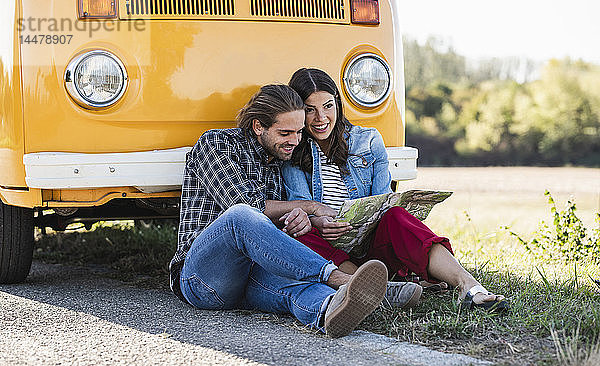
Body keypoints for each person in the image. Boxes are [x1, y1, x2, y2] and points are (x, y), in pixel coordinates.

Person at [169, 84, 391, 338]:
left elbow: (269, 229)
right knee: (239, 216)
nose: (295, 141)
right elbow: (245, 207)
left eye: (298, 132)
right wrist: (308, 206)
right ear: (258, 127)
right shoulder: (217, 144)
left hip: (252, 275)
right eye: (285, 132)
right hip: (203, 278)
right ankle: (339, 278)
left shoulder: (280, 160)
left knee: (297, 286)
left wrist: (300, 220)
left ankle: (336, 305)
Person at [282, 68, 508, 312]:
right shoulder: (293, 149)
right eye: (309, 109)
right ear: (298, 112)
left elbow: (383, 200)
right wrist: (318, 223)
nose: (321, 118)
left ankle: (470, 287)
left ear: (337, 103)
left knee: (397, 216)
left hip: (371, 245)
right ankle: (378, 288)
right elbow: (300, 205)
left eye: (327, 106)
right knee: (298, 233)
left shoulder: (367, 140)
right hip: (329, 252)